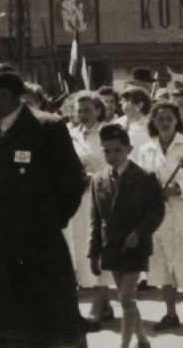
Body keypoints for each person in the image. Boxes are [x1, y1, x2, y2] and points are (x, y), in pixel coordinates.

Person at [0, 63, 87, 347]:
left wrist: (48, 223)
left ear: (5, 95)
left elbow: (72, 183)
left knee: (42, 330)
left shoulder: (46, 127)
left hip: (36, 251)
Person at [134, 102, 183, 331]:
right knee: (162, 264)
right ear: (153, 122)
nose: (165, 123)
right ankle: (171, 313)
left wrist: (177, 188)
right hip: (158, 214)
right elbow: (140, 180)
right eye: (160, 119)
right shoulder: (146, 150)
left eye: (169, 118)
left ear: (177, 120)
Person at [90, 124, 165, 348]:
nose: (112, 155)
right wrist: (93, 252)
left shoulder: (144, 177)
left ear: (129, 149)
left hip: (135, 246)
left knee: (125, 298)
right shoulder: (98, 180)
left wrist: (139, 233)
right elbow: (96, 220)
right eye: (107, 151)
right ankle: (142, 340)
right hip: (112, 245)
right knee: (126, 299)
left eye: (117, 150)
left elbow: (156, 211)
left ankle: (124, 345)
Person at [65, 91, 112, 328]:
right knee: (84, 250)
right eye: (79, 110)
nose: (83, 115)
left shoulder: (109, 132)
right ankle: (105, 304)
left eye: (88, 110)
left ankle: (96, 306)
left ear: (99, 110)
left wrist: (93, 178)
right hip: (78, 200)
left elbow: (118, 164)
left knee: (99, 249)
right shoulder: (70, 134)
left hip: (103, 197)